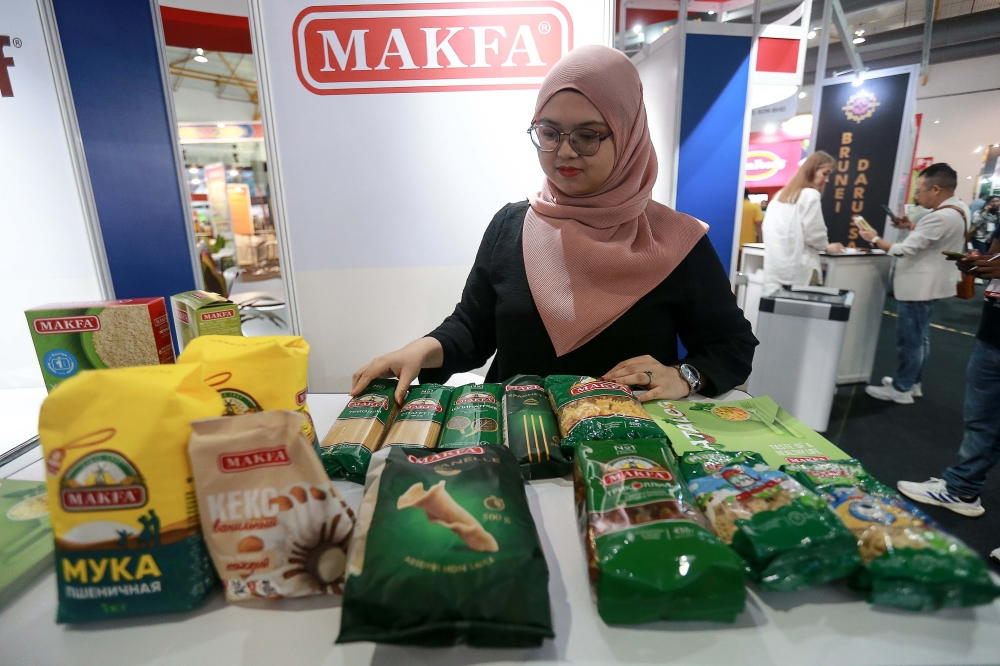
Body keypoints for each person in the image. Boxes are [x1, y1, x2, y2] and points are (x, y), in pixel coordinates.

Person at [351, 46, 757, 405]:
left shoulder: (674, 241)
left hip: (623, 452)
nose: (565, 151)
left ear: (629, 134)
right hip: (513, 440)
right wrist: (418, 351)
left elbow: (732, 346)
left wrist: (684, 376)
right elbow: (473, 327)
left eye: (588, 135)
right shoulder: (513, 225)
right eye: (549, 132)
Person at [894, 227, 1000, 517]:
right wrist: (978, 262)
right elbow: (994, 255)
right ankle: (961, 489)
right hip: (992, 333)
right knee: (980, 420)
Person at [857, 163, 967, 404]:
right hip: (933, 284)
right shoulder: (959, 209)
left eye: (919, 191)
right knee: (920, 338)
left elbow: (902, 250)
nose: (917, 197)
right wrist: (911, 227)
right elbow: (931, 242)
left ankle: (901, 388)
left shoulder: (940, 217)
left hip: (919, 287)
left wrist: (873, 238)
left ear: (936, 188)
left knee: (910, 340)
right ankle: (912, 382)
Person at [761, 151, 845, 294]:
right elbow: (815, 235)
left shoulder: (780, 196)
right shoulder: (810, 195)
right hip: (800, 270)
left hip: (775, 269)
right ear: (812, 170)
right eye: (825, 173)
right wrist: (826, 246)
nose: (827, 180)